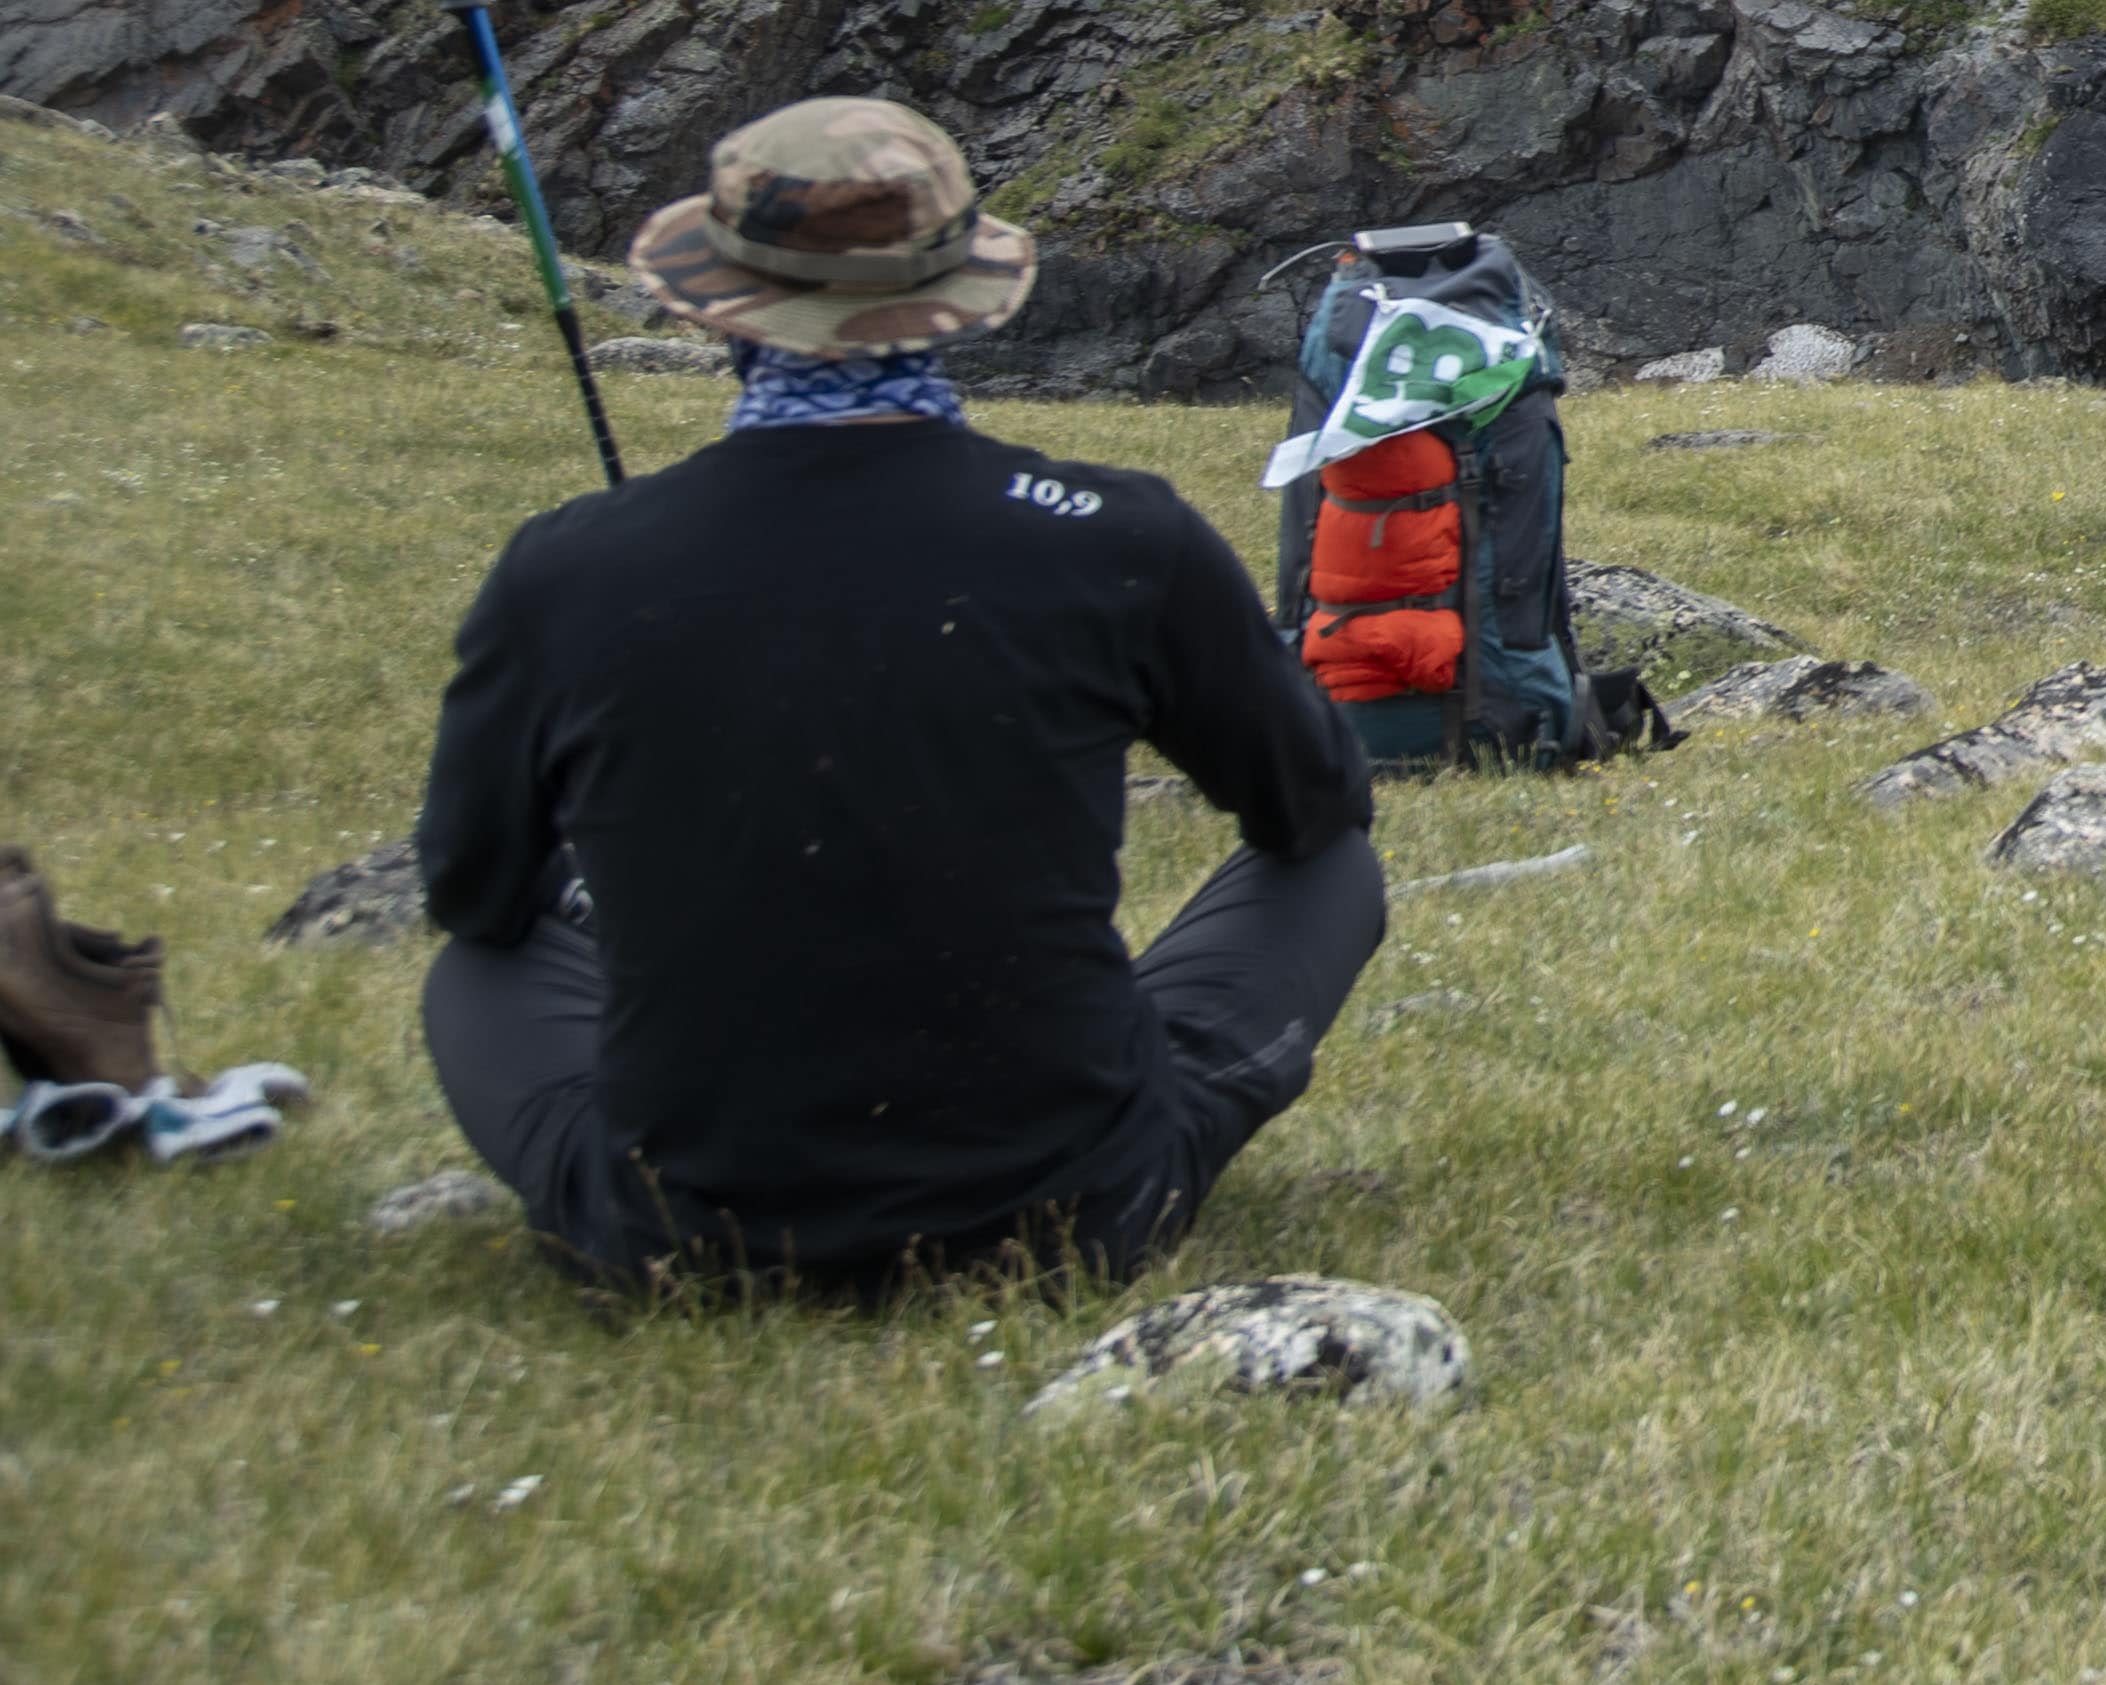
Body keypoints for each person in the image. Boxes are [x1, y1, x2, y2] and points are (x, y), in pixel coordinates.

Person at [415, 100, 1382, 1293]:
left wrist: (614, 878)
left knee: (477, 964)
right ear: (955, 301)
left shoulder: (566, 564)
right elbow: (1312, 802)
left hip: (682, 1230)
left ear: (723, 306)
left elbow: (471, 885)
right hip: (1076, 1211)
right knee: (1334, 866)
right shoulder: (1121, 536)